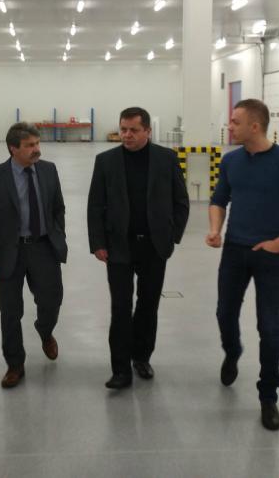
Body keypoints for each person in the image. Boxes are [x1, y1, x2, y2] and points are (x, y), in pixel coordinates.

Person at [206, 99, 279, 432]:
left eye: (235, 121)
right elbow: (218, 199)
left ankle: (268, 396)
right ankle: (232, 351)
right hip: (234, 251)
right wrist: (215, 229)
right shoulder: (231, 161)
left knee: (269, 328)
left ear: (254, 126)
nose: (229, 126)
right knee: (224, 313)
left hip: (270, 257)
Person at [87, 107, 190, 389]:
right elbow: (95, 205)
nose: (127, 135)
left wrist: (172, 237)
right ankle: (120, 369)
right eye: (123, 129)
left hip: (154, 246)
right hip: (118, 247)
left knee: (148, 305)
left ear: (147, 131)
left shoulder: (166, 159)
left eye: (133, 130)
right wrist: (98, 243)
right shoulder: (106, 161)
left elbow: (181, 201)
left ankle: (142, 357)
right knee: (120, 308)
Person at [0, 122, 67, 388]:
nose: (36, 149)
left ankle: (45, 330)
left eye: (37, 144)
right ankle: (15, 365)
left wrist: (58, 236)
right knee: (10, 311)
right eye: (29, 145)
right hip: (10, 251)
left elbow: (58, 208)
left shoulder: (49, 170)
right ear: (12, 148)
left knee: (51, 300)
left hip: (43, 247)